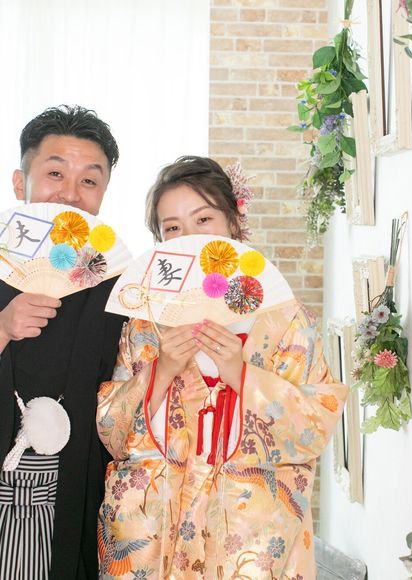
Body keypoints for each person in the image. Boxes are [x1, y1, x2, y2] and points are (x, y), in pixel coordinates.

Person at [96, 156, 347, 579]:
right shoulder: (146, 322)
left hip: (251, 531)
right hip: (158, 527)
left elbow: (314, 426)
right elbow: (112, 432)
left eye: (203, 219)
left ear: (233, 221)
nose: (189, 237)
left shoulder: (284, 319)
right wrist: (161, 371)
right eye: (172, 227)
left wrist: (241, 374)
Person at [0, 105, 126, 580]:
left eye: (89, 180)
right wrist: (2, 327)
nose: (71, 194)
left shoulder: (117, 285)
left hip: (73, 488)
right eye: (55, 173)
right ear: (20, 183)